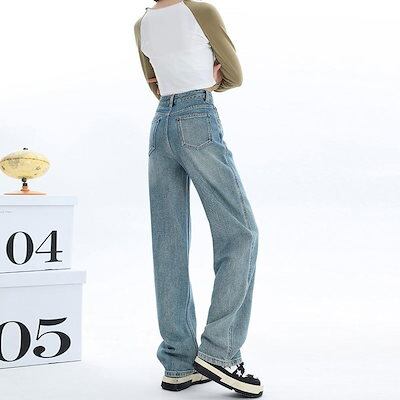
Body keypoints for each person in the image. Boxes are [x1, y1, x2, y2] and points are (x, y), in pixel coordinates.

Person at [134, 0, 263, 397]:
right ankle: (220, 353)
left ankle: (178, 363)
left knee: (169, 244)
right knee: (241, 234)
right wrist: (209, 79)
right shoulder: (201, 11)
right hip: (196, 118)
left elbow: (155, 84)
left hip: (161, 124)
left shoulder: (142, 24)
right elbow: (234, 76)